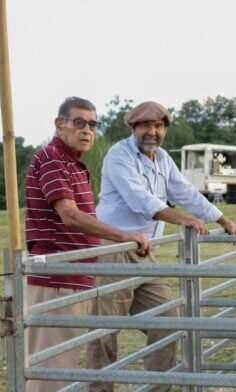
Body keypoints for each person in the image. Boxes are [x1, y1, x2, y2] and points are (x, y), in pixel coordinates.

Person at [88, 101, 236, 392]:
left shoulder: (162, 159)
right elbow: (141, 200)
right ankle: (100, 389)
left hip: (145, 251)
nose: (152, 132)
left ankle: (158, 388)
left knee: (167, 320)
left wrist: (222, 218)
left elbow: (184, 191)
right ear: (133, 128)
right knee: (105, 330)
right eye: (144, 125)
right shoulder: (119, 156)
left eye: (158, 126)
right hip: (114, 247)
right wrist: (183, 220)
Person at [25, 97, 150, 392]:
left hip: (72, 278)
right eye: (79, 122)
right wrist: (124, 236)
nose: (87, 130)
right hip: (56, 279)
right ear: (60, 124)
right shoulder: (54, 158)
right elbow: (70, 215)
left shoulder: (72, 164)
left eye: (92, 124)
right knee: (49, 375)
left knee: (61, 370)